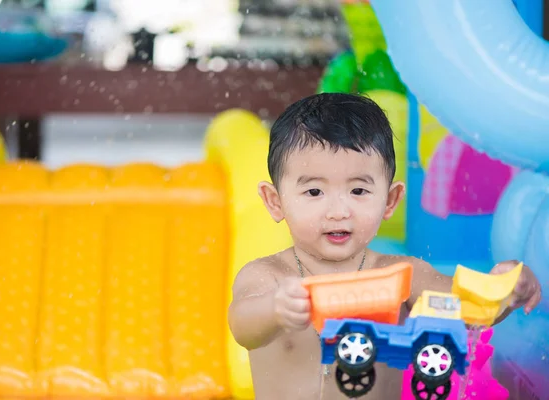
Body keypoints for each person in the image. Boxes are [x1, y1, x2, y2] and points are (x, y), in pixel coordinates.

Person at [227, 93, 542, 400]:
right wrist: (275, 309)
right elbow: (242, 326)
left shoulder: (402, 275)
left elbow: (464, 309)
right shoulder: (271, 278)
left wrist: (504, 289)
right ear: (275, 201)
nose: (338, 210)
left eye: (359, 190)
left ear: (390, 201)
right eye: (313, 192)